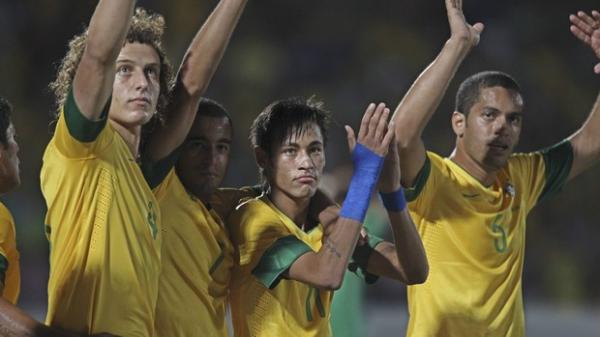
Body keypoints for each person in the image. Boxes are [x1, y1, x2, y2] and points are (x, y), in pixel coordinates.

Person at [390, 0, 600, 335]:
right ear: (459, 122)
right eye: (489, 115)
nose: (503, 127)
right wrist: (456, 46)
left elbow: (590, 142)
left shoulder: (521, 175)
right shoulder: (434, 180)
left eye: (513, 119)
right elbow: (399, 139)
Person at [41, 0, 240, 335]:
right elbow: (98, 55)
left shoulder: (144, 180)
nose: (141, 82)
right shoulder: (85, 148)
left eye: (151, 72)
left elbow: (190, 89)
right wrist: (105, 61)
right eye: (125, 70)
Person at [227, 99, 428, 336]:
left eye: (314, 149)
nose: (306, 163)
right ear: (263, 158)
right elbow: (327, 275)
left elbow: (413, 271)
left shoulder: (327, 225)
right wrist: (363, 177)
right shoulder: (253, 221)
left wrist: (391, 192)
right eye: (290, 151)